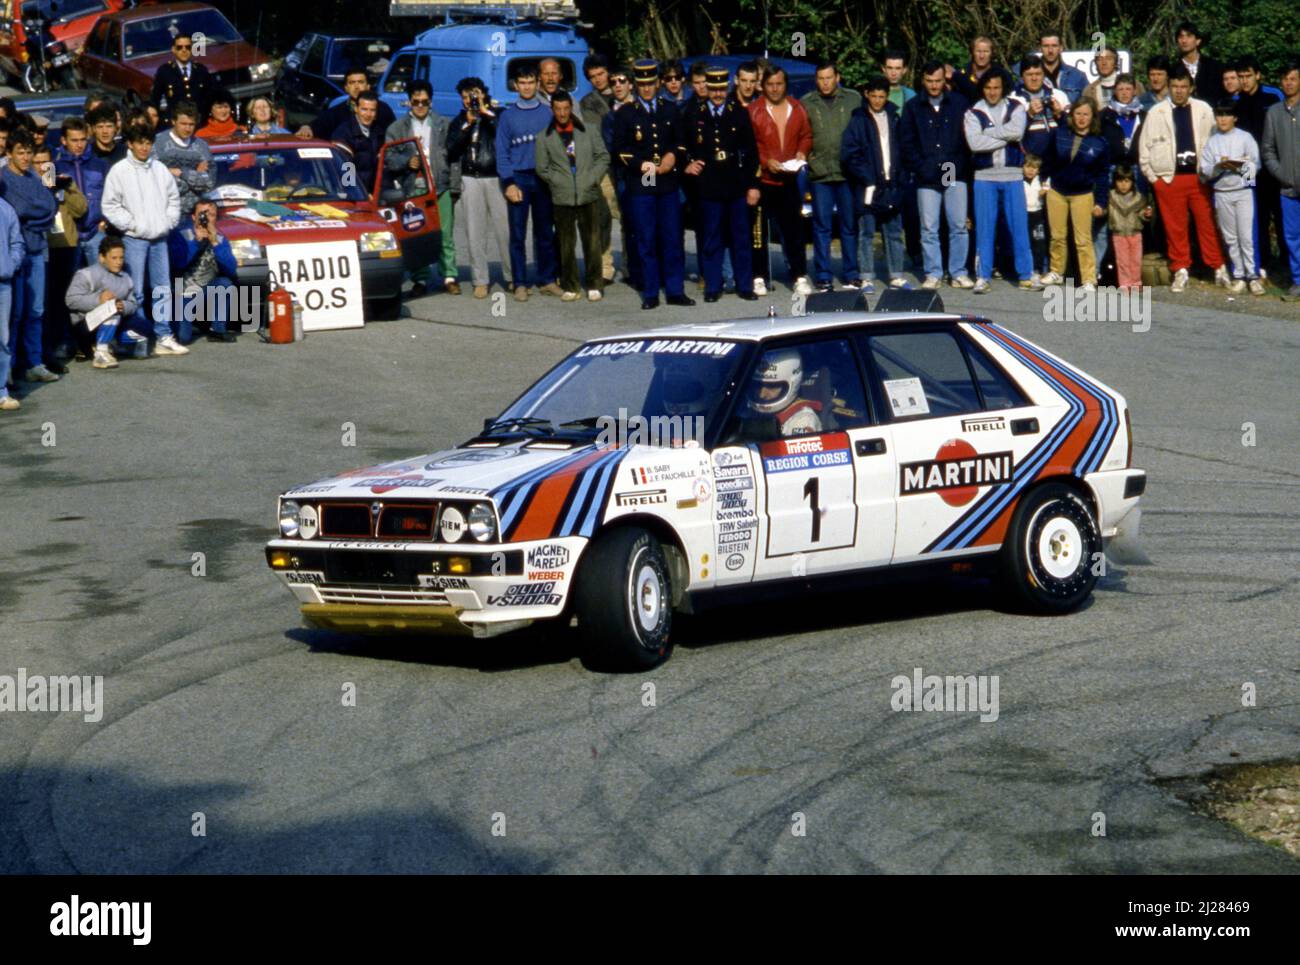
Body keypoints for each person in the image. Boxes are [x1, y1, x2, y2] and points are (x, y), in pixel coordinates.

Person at [611, 59, 693, 309]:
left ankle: (675, 290)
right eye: (642, 84)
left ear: (658, 83)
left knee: (671, 237)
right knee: (646, 238)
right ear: (636, 85)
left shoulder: (669, 109)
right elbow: (619, 149)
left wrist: (672, 156)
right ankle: (650, 292)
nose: (646, 89)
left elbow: (680, 142)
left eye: (650, 84)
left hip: (667, 178)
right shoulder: (626, 113)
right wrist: (639, 164)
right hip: (643, 178)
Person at [1139, 67, 1228, 291]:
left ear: (1191, 88)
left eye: (1183, 87)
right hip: (1169, 178)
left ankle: (1218, 266)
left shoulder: (1203, 109)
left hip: (1198, 177)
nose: (1179, 91)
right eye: (1175, 87)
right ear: (1169, 87)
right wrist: (1154, 179)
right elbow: (1144, 149)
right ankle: (1180, 268)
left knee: (1207, 224)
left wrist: (1212, 172)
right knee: (1175, 227)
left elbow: (1216, 142)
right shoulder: (1156, 112)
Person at [101, 122, 184, 356]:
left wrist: (167, 222)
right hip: (134, 240)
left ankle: (163, 336)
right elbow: (109, 205)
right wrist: (132, 225)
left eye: (148, 143)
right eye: (140, 143)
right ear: (130, 143)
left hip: (159, 239)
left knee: (162, 289)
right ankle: (136, 338)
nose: (144, 147)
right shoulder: (119, 171)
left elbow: (173, 199)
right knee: (134, 291)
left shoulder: (159, 169)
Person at [682, 65, 760, 303]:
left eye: (721, 89)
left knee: (741, 237)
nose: (717, 94)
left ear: (728, 87)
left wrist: (753, 185)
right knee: (712, 238)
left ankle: (744, 285)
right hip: (709, 185)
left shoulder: (739, 112)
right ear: (707, 87)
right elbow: (684, 145)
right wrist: (688, 163)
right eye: (712, 89)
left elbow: (750, 152)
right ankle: (713, 285)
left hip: (735, 184)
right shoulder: (696, 114)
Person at [964, 69, 1040, 292]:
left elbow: (1017, 132)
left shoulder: (1016, 107)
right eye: (987, 88)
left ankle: (1026, 275)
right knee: (985, 228)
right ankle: (983, 276)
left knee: (1019, 227)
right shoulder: (973, 111)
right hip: (984, 177)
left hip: (1013, 175)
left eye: (996, 87)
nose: (992, 92)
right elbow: (975, 144)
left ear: (1003, 87)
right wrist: (1004, 137)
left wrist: (989, 133)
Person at [901, 60, 972, 289]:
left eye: (938, 80)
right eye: (930, 81)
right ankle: (933, 272)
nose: (934, 85)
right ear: (923, 80)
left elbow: (966, 140)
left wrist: (956, 166)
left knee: (957, 224)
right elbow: (907, 143)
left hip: (952, 170)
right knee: (929, 227)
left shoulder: (959, 104)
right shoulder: (913, 107)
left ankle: (958, 271)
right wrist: (923, 168)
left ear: (945, 80)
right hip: (926, 173)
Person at [386, 80, 460, 295]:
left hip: (440, 186)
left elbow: (455, 157)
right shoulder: (397, 128)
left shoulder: (443, 124)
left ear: (431, 102)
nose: (420, 106)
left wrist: (454, 186)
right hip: (413, 188)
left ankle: (449, 276)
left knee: (445, 234)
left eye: (424, 102)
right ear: (408, 102)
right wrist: (406, 162)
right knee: (417, 233)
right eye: (416, 102)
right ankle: (420, 279)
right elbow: (389, 158)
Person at [1027, 99, 1109, 291]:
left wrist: (1101, 202)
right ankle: (1056, 271)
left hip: (1083, 193)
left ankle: (1089, 279)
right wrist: (1044, 183)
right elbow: (1047, 161)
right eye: (1078, 114)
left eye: (1086, 114)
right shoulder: (1059, 134)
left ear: (1092, 117)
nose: (1081, 118)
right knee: (1057, 235)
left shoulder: (1100, 143)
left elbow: (1103, 175)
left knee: (1083, 239)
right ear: (1072, 115)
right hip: (1057, 190)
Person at [534, 90, 609, 301]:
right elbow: (542, 168)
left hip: (588, 192)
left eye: (566, 108)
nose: (562, 113)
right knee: (565, 243)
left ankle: (595, 283)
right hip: (562, 196)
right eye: (557, 109)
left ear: (571, 108)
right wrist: (557, 182)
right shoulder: (544, 137)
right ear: (552, 110)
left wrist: (593, 177)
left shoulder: (589, 130)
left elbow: (603, 156)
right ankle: (570, 285)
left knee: (592, 240)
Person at [496, 64, 561, 300]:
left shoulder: (547, 113)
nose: (526, 87)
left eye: (531, 82)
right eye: (522, 83)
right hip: (519, 178)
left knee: (545, 231)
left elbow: (557, 148)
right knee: (517, 233)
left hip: (543, 177)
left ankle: (547, 279)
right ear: (515, 85)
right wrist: (509, 183)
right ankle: (520, 282)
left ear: (538, 84)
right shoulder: (507, 116)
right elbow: (502, 153)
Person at [749, 65, 813, 295]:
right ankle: (758, 276)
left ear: (786, 85)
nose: (775, 89)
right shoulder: (754, 110)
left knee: (794, 229)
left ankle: (799, 275)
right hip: (762, 180)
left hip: (789, 178)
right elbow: (750, 144)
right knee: (758, 231)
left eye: (779, 84)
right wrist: (766, 162)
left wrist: (802, 152)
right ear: (763, 86)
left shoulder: (797, 108)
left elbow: (806, 135)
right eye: (770, 84)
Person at [447, 77, 511, 298]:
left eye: (474, 95)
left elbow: (505, 137)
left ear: (483, 93)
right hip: (469, 178)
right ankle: (480, 280)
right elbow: (452, 149)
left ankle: (511, 276)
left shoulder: (498, 114)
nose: (470, 100)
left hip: (494, 176)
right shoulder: (458, 120)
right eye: (465, 97)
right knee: (475, 232)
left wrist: (486, 113)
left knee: (504, 230)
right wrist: (467, 123)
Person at [842, 76, 908, 292]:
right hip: (868, 184)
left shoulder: (894, 117)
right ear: (866, 95)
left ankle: (896, 275)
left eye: (882, 96)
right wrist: (866, 176)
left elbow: (901, 148)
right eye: (874, 96)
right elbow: (850, 153)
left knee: (893, 232)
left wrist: (900, 176)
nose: (878, 100)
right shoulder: (858, 120)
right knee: (867, 231)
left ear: (887, 96)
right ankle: (867, 275)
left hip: (892, 182)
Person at [800, 59, 861, 292]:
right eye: (821, 79)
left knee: (848, 226)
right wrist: (810, 160)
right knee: (821, 226)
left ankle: (851, 273)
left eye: (829, 78)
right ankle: (823, 274)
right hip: (820, 174)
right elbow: (803, 135)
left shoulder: (853, 99)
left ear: (838, 77)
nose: (825, 83)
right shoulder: (807, 103)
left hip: (847, 173)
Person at [3, 130, 58, 383]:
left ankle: (35, 362)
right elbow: (18, 209)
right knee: (15, 313)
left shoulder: (36, 177)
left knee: (36, 310)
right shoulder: (3, 179)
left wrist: (32, 217)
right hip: (15, 254)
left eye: (28, 152)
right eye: (20, 153)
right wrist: (34, 212)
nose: (25, 158)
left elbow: (50, 207)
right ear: (9, 154)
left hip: (36, 250)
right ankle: (11, 366)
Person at [1200, 101, 1262, 295]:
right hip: (1221, 192)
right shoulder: (1212, 141)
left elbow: (1255, 167)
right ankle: (1239, 274)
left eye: (1227, 115)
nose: (1223, 119)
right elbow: (1205, 170)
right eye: (1219, 115)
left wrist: (1238, 166)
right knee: (1231, 237)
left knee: (1246, 235)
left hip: (1243, 191)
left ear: (1235, 118)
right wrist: (1219, 167)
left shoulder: (1245, 138)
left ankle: (1253, 276)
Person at [38, 142, 87, 368]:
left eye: (46, 163)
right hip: (43, 247)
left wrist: (67, 188)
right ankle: (46, 346)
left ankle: (68, 341)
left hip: (66, 244)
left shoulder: (62, 181)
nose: (41, 167)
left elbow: (81, 209)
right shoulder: (28, 183)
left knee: (66, 297)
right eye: (37, 162)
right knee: (46, 302)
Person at [1235, 57, 1282, 273]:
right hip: (1248, 167)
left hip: (1274, 164)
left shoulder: (1272, 98)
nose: (1245, 81)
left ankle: (1286, 263)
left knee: (1280, 214)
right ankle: (1262, 261)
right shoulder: (1237, 103)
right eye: (1241, 77)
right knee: (1256, 215)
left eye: (1248, 76)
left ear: (1258, 75)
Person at [169, 198, 240, 341]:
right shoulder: (182, 235)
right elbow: (177, 264)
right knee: (183, 337)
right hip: (181, 292)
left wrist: (215, 243)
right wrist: (196, 242)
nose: (206, 219)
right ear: (194, 217)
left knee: (225, 283)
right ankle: (178, 321)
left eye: (211, 215)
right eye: (203, 214)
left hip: (206, 290)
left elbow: (232, 269)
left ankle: (217, 329)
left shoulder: (220, 238)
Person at [65, 235, 138, 369]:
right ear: (102, 257)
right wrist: (98, 300)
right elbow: (71, 300)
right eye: (114, 258)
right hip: (84, 326)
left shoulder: (126, 278)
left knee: (142, 333)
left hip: (115, 322)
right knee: (111, 311)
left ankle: (111, 343)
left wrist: (124, 306)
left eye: (121, 258)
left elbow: (133, 303)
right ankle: (101, 352)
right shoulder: (86, 274)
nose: (119, 262)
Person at [1261, 60, 1300, 297]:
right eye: (1285, 79)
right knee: (1292, 236)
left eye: (1293, 78)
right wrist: (1281, 173)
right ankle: (1297, 280)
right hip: (1287, 187)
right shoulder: (1274, 112)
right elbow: (1267, 149)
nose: (1288, 83)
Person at [580, 54, 618, 285]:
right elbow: (597, 134)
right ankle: (604, 268)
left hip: (639, 168)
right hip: (604, 165)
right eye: (592, 77)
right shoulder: (588, 103)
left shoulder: (625, 91)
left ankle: (637, 266)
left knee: (637, 214)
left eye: (601, 73)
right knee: (601, 217)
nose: (598, 79)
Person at [54, 116, 109, 275]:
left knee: (102, 283)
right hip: (69, 236)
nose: (79, 145)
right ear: (64, 140)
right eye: (74, 140)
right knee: (70, 285)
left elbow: (111, 196)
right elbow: (49, 200)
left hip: (96, 231)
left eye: (83, 139)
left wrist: (104, 222)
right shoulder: (53, 166)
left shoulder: (100, 164)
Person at [604, 68, 642, 290]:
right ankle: (633, 271)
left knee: (647, 218)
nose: (617, 85)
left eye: (622, 80)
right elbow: (613, 149)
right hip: (624, 176)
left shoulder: (642, 109)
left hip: (646, 174)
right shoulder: (610, 116)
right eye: (613, 82)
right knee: (629, 222)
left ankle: (648, 268)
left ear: (630, 84)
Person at [152, 100, 214, 217]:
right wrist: (196, 175)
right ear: (173, 121)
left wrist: (180, 173)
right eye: (183, 124)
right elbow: (158, 181)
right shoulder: (158, 143)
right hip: (164, 212)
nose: (187, 128)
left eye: (191, 124)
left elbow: (208, 183)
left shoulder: (201, 146)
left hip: (195, 214)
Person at [302, 68, 396, 141]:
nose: (356, 87)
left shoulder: (383, 109)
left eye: (360, 82)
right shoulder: (335, 113)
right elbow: (317, 125)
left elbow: (394, 135)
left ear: (368, 86)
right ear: (346, 88)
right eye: (352, 83)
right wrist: (307, 128)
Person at [747, 348, 821, 437]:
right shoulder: (748, 410)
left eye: (772, 386)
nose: (762, 394)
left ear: (794, 383)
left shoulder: (803, 420)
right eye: (758, 385)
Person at [331, 91, 385, 197]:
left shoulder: (378, 131)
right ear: (356, 109)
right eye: (364, 109)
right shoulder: (343, 134)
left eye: (372, 110)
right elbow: (345, 173)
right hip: (351, 195)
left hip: (373, 194)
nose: (368, 114)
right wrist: (361, 195)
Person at [151, 33, 214, 121]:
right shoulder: (165, 71)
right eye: (179, 47)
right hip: (175, 121)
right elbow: (155, 99)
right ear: (173, 49)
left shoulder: (201, 70)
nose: (184, 50)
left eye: (187, 47)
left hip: (199, 120)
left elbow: (210, 97)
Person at [0, 184, 25, 409]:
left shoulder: (6, 209)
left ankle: (0, 391)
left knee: (2, 339)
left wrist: (10, 264)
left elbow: (17, 243)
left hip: (3, 284)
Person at [1108, 164, 1149, 292]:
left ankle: (1136, 282)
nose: (1123, 185)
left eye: (1127, 181)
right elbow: (1105, 210)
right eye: (1120, 181)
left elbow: (1142, 213)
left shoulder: (1138, 197)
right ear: (1115, 181)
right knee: (1122, 261)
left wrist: (1146, 214)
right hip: (1119, 234)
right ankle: (1124, 284)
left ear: (1132, 182)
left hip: (1135, 233)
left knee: (1135, 260)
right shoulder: (1111, 196)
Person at [1175, 21, 1225, 103]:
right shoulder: (1174, 69)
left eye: (1189, 36)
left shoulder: (1214, 66)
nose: (1184, 40)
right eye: (1181, 37)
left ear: (1198, 41)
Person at [1038, 33, 1088, 104]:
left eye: (1054, 46)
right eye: (1046, 46)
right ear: (1040, 48)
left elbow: (1089, 106)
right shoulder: (1030, 76)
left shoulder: (1078, 76)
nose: (1050, 50)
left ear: (1061, 48)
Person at [951, 36, 1000, 106]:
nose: (982, 56)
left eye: (986, 51)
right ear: (972, 52)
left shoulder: (1002, 75)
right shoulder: (960, 77)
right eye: (978, 51)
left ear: (991, 53)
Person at [1022, 153, 1049, 276]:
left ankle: (1039, 268)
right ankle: (1026, 267)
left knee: (1039, 242)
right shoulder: (1019, 181)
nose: (1030, 170)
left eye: (1034, 167)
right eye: (1028, 166)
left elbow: (1048, 185)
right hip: (1024, 213)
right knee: (1025, 242)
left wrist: (1044, 190)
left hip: (1038, 214)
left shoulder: (1041, 180)